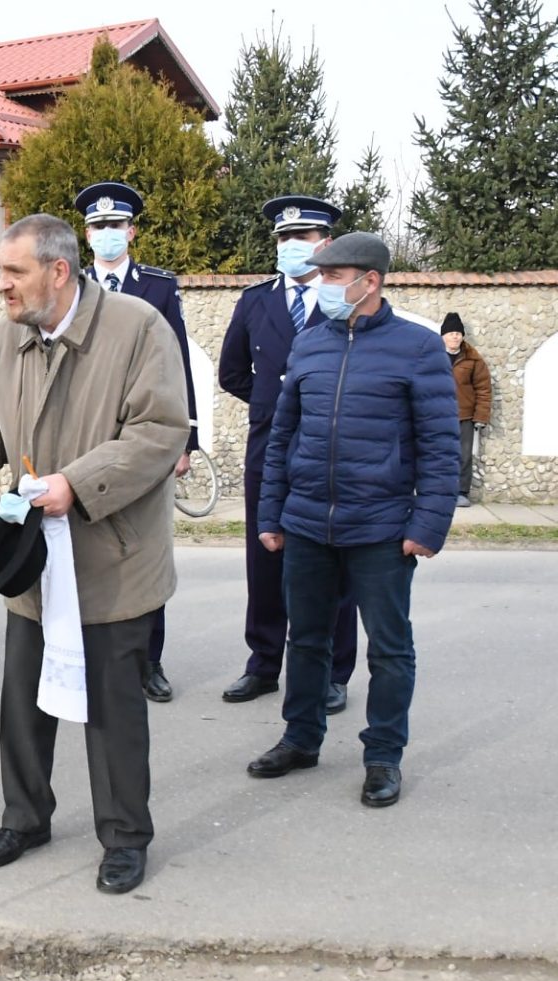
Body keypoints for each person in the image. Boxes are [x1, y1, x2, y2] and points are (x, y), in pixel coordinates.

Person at [0, 214, 189, 895]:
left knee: (112, 710)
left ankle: (125, 837)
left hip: (113, 556)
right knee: (24, 702)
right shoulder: (5, 339)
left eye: (14, 273)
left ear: (59, 271)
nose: (1, 285)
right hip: (31, 559)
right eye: (1, 271)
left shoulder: (137, 329)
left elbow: (159, 431)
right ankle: (25, 818)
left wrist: (78, 483)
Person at [247, 232, 459, 808]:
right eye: (322, 276)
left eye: (334, 276)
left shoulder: (417, 348)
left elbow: (441, 446)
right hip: (307, 522)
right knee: (306, 638)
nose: (323, 285)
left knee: (389, 649)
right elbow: (282, 437)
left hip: (382, 528)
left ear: (371, 281)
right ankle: (300, 739)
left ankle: (383, 755)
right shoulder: (309, 345)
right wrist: (272, 513)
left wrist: (427, 525)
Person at [218, 196, 358, 715]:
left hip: (329, 448)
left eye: (303, 237)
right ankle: (263, 663)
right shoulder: (255, 301)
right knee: (265, 559)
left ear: (326, 244)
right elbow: (232, 372)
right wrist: (271, 403)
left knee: (333, 560)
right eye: (283, 237)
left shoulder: (343, 300)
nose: (291, 246)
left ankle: (334, 672)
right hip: (270, 445)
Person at [74, 182, 201, 703]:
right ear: (86, 235)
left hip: (144, 438)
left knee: (147, 549)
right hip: (86, 437)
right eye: (97, 226)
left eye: (115, 225)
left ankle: (150, 661)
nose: (107, 233)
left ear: (131, 232)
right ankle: (88, 660)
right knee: (84, 552)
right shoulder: (72, 286)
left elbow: (178, 365)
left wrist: (186, 441)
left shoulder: (158, 287)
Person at [439, 313, 491, 507]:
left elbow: (483, 388)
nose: (455, 337)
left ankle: (461, 492)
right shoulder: (432, 355)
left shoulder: (473, 359)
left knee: (463, 455)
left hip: (464, 416)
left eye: (458, 333)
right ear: (443, 336)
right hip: (437, 415)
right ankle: (438, 491)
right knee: (437, 453)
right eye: (451, 333)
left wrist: (481, 416)